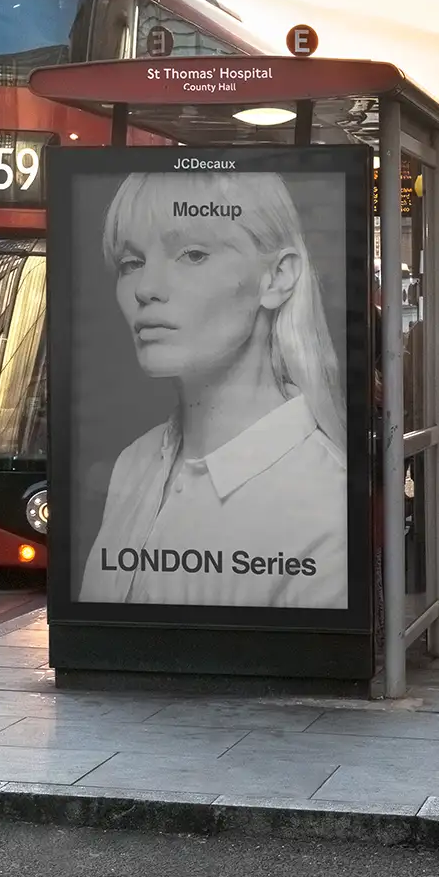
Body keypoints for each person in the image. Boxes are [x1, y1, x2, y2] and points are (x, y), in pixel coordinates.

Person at [79, 170, 346, 608]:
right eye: (131, 263)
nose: (145, 289)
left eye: (193, 254)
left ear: (278, 277)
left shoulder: (326, 502)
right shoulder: (133, 463)